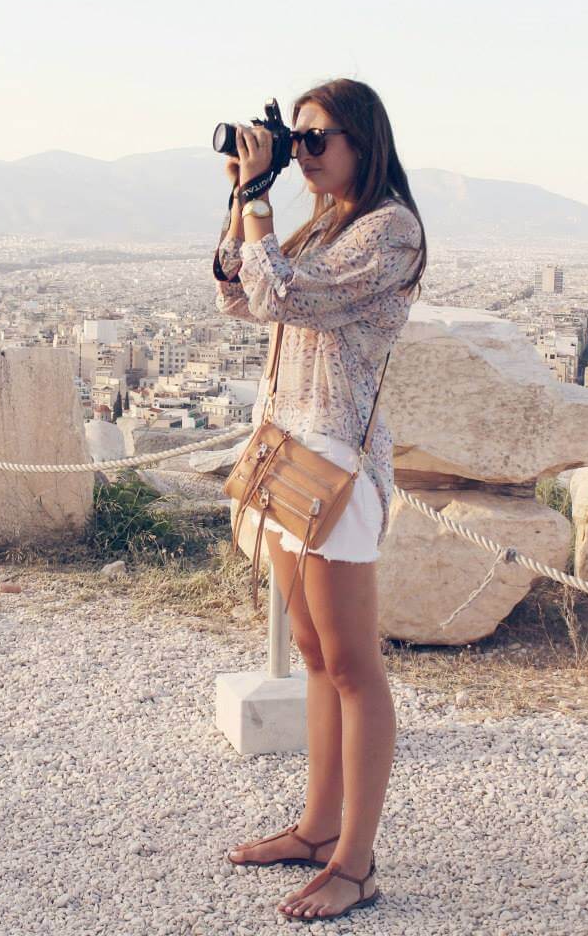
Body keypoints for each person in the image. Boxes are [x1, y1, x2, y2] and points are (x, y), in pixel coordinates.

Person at [214, 78, 427, 922]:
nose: (302, 154)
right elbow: (239, 296)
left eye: (315, 139)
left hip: (336, 466)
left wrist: (263, 210)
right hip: (286, 456)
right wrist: (243, 200)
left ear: (363, 140)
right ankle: (315, 827)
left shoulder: (390, 230)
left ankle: (356, 863)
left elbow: (289, 296)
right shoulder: (325, 221)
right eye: (293, 139)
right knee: (311, 651)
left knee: (352, 665)